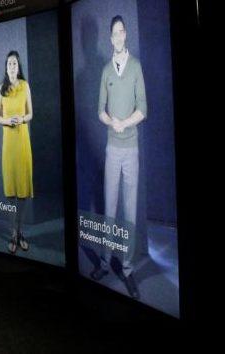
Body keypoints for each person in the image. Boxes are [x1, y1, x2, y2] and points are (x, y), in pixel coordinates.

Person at [91, 15, 147, 300]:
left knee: (130, 210)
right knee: (109, 209)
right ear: (110, 38)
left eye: (121, 32)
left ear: (126, 35)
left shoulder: (135, 66)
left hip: (131, 149)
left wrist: (126, 122)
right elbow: (100, 110)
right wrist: (110, 121)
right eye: (113, 33)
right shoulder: (105, 71)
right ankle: (104, 261)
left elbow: (143, 108)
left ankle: (127, 268)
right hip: (112, 149)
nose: (118, 36)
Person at [0, 51, 34, 254]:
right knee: (11, 191)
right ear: (6, 66)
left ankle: (21, 232)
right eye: (9, 63)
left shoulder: (25, 86)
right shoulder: (1, 89)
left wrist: (22, 119)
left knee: (23, 191)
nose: (12, 66)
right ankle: (13, 233)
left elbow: (30, 113)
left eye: (15, 64)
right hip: (8, 143)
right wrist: (8, 121)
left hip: (22, 141)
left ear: (18, 67)